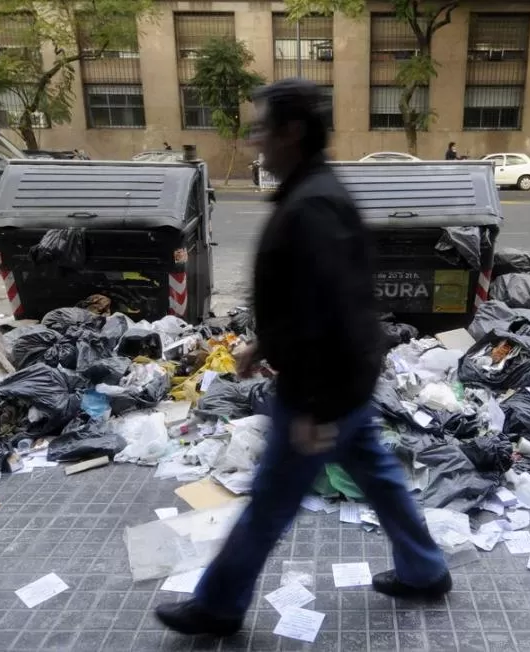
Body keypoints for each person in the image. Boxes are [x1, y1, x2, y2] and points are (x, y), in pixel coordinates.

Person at [154, 78, 451, 638]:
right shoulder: (310, 191)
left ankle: (217, 605)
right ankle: (426, 568)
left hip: (323, 385)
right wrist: (265, 344)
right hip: (342, 379)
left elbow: (331, 308)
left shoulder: (314, 203)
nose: (255, 140)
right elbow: (307, 294)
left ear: (292, 131)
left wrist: (316, 409)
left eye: (263, 127)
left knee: (270, 498)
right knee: (380, 477)